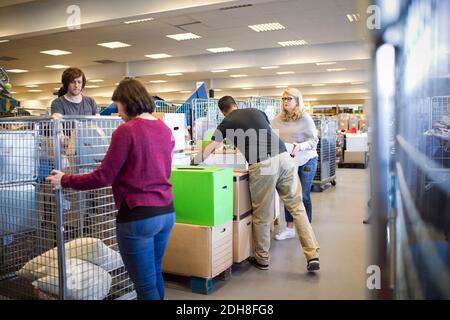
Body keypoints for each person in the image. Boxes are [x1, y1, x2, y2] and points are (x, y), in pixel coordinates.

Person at [46, 79, 175, 300]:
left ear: (127, 102)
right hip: (166, 211)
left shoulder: (127, 131)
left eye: (118, 107)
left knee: (144, 287)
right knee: (154, 276)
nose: (119, 113)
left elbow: (103, 176)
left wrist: (65, 179)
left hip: (138, 215)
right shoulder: (163, 128)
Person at [192, 96, 320, 272]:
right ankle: (312, 254)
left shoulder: (226, 122)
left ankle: (262, 259)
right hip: (284, 158)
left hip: (264, 165)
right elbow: (264, 132)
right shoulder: (256, 111)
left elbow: (211, 148)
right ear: (236, 105)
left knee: (261, 214)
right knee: (297, 208)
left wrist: (193, 163)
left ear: (223, 111)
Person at [271, 88, 318, 240]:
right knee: (289, 195)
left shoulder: (305, 118)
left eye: (289, 99)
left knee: (303, 195)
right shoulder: (278, 119)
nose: (285, 102)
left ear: (297, 101)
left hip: (306, 160)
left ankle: (306, 229)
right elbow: (272, 137)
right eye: (283, 99)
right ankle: (290, 229)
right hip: (288, 161)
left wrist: (300, 146)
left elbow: (313, 141)